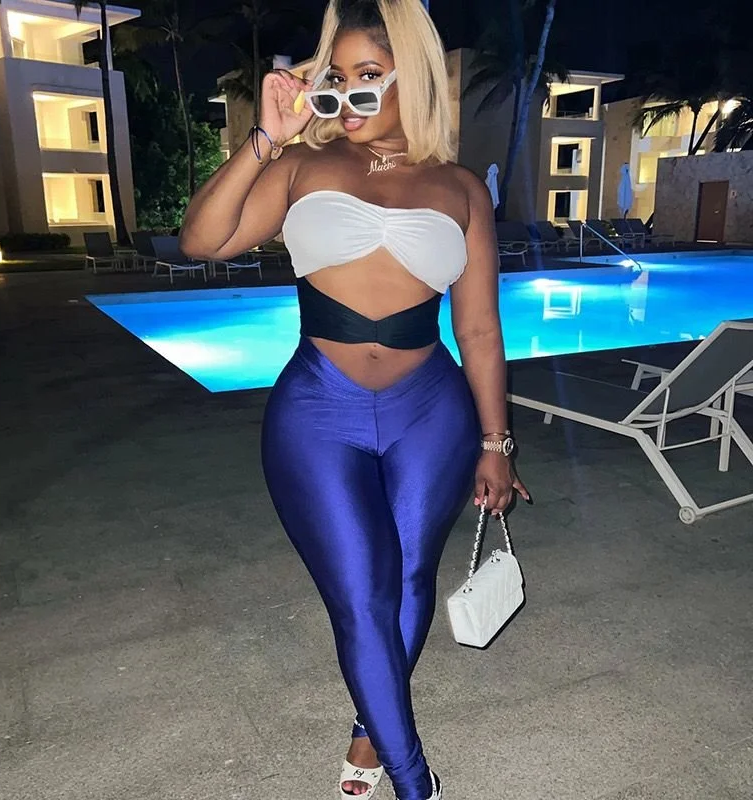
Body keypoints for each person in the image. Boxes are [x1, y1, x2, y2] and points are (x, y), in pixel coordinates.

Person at [180, 1, 529, 797]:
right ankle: (415, 780)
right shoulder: (304, 166)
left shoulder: (460, 188)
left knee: (409, 581)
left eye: (368, 77)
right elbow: (202, 241)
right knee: (363, 595)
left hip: (430, 410)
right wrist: (266, 136)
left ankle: (372, 731)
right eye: (335, 80)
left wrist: (495, 443)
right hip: (318, 409)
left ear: (416, 80)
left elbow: (479, 330)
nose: (347, 97)